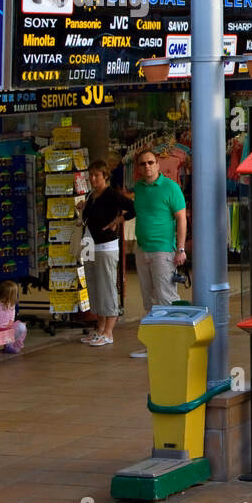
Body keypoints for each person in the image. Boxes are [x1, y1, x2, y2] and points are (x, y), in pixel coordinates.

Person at [128, 148, 187, 358]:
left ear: (158, 164)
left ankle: (174, 344)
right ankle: (155, 345)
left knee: (167, 298)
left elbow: (181, 218)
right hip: (142, 249)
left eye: (151, 162)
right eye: (143, 164)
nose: (147, 167)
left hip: (163, 251)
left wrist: (180, 248)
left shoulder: (171, 188)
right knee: (149, 299)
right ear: (138, 168)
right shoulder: (139, 188)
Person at [77, 159, 135, 347]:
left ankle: (109, 331)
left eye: (97, 175)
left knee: (107, 286)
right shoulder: (92, 195)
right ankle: (99, 328)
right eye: (91, 175)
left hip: (105, 246)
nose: (93, 179)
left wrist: (117, 221)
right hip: (89, 244)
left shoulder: (111, 195)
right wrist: (83, 209)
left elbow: (132, 208)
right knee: (93, 286)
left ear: (105, 176)